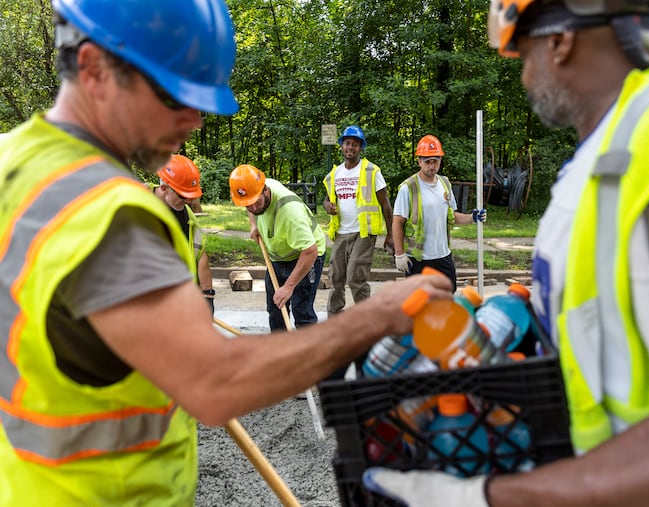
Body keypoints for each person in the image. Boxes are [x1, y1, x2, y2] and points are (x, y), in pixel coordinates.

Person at [0, 0, 453, 504]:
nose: (194, 120)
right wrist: (376, 317)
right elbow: (213, 383)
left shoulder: (14, 160)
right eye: (176, 93)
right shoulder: (108, 214)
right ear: (92, 67)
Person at [363, 0, 649, 505]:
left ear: (559, 40)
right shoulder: (614, 145)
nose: (525, 76)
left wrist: (498, 496)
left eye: (523, 54)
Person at [322, 125, 395, 378]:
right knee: (336, 279)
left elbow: (385, 203)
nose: (350, 147)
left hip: (364, 233)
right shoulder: (333, 174)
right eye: (347, 143)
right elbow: (329, 199)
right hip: (341, 233)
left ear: (360, 147)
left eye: (355, 144)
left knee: (356, 277)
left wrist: (391, 234)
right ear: (341, 145)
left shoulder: (372, 171)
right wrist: (327, 205)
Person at [229, 164, 326, 331]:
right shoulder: (255, 190)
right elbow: (250, 203)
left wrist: (288, 287)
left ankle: (309, 354)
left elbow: (310, 251)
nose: (252, 208)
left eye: (256, 202)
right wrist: (254, 224)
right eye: (247, 205)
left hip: (305, 256)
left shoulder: (291, 212)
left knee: (302, 310)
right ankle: (280, 351)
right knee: (275, 309)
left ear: (265, 190)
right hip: (278, 257)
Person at [392, 134, 487, 291]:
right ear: (419, 161)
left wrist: (472, 218)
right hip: (418, 259)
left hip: (443, 256)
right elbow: (397, 222)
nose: (431, 165)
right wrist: (399, 254)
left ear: (440, 161)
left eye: (435, 161)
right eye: (427, 161)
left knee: (448, 296)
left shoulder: (445, 183)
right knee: (420, 304)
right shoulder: (408, 188)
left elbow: (451, 216)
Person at [152, 154, 216, 314]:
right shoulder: (135, 205)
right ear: (164, 188)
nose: (187, 202)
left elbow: (200, 255)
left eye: (190, 196)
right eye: (182, 195)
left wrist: (207, 296)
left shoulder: (187, 216)